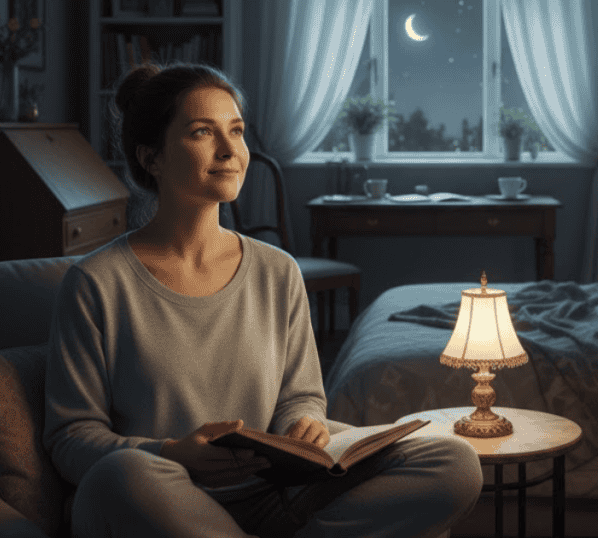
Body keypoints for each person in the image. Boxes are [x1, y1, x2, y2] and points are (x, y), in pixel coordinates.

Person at [42, 62, 483, 538]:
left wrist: (304, 423)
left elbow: (302, 396)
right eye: (202, 132)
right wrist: (172, 453)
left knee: (453, 459)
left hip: (274, 497)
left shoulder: (277, 270)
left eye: (236, 131)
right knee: (123, 474)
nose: (231, 151)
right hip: (163, 498)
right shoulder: (95, 283)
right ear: (152, 157)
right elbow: (71, 440)